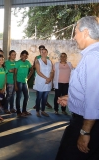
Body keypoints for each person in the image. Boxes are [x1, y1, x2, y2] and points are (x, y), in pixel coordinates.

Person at [56, 16, 99, 160]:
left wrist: (85, 132)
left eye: (76, 33)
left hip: (86, 124)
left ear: (86, 32)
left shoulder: (93, 57)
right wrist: (72, 98)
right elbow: (88, 89)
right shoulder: (91, 55)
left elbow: (94, 99)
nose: (74, 38)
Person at [33, 49, 53, 117]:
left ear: (47, 53)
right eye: (42, 52)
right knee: (39, 97)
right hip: (40, 82)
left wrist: (50, 78)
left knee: (45, 97)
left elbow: (52, 71)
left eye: (45, 52)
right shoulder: (37, 61)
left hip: (48, 82)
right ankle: (37, 111)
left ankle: (43, 111)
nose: (44, 53)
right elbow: (38, 72)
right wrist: (47, 78)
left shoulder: (50, 61)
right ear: (40, 53)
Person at [14, 50, 33, 117]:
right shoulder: (18, 63)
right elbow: (15, 74)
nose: (24, 57)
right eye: (23, 55)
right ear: (21, 56)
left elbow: (32, 70)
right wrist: (15, 84)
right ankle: (18, 112)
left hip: (25, 82)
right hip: (19, 82)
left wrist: (28, 77)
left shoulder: (28, 63)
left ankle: (24, 110)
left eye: (26, 55)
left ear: (27, 56)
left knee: (26, 96)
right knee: (18, 97)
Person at [4, 50, 17, 114]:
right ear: (9, 55)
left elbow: (16, 70)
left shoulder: (16, 62)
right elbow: (10, 70)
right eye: (12, 54)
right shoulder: (7, 62)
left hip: (15, 81)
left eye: (15, 55)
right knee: (8, 95)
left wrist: (15, 70)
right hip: (9, 81)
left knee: (13, 95)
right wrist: (15, 70)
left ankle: (12, 108)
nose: (14, 56)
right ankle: (6, 108)